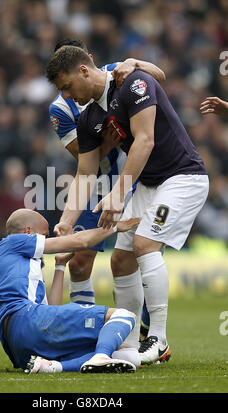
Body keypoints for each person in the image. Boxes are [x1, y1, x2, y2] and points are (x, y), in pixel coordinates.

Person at [46, 46, 209, 365]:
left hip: (182, 177)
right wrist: (67, 221)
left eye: (67, 87)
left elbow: (145, 140)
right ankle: (130, 344)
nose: (67, 95)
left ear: (83, 71)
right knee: (120, 261)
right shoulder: (89, 118)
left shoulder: (134, 84)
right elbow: (85, 172)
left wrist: (119, 193)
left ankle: (158, 339)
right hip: (149, 185)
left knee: (144, 244)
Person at [49, 39, 165, 361]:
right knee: (81, 259)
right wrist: (108, 141)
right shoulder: (60, 108)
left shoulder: (117, 73)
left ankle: (148, 334)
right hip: (97, 186)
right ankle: (87, 334)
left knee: (136, 254)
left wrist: (135, 62)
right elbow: (81, 156)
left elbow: (159, 75)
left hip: (134, 178)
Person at [0, 208, 140, 374]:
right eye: (44, 236)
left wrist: (60, 264)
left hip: (20, 348)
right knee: (123, 315)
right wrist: (115, 228)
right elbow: (81, 242)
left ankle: (53, 367)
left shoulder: (18, 269)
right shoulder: (13, 241)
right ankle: (101, 356)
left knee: (128, 356)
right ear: (28, 232)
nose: (47, 240)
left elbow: (51, 309)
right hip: (27, 319)